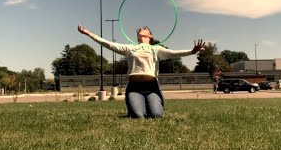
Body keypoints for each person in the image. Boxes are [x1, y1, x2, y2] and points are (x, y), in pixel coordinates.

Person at [77, 24, 205, 118]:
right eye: (139, 29)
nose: (140, 29)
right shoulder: (130, 48)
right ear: (137, 37)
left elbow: (174, 54)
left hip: (152, 88)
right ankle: (134, 108)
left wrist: (192, 51)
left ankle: (152, 105)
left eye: (144, 28)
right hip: (134, 87)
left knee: (156, 116)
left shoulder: (156, 49)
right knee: (139, 117)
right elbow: (107, 43)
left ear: (150, 35)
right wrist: (89, 33)